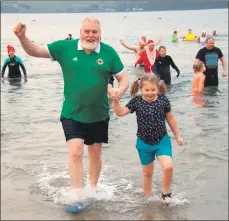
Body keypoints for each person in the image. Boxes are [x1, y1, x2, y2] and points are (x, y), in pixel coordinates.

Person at [13, 16, 129, 212]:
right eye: (87, 31)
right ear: (80, 32)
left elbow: (124, 77)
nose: (90, 35)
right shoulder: (65, 48)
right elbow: (36, 51)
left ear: (100, 33)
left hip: (99, 113)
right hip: (72, 113)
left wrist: (120, 90)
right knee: (75, 152)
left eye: (94, 32)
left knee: (95, 154)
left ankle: (92, 188)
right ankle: (77, 196)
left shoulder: (109, 52)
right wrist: (23, 38)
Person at [111, 73, 183, 205]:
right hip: (143, 143)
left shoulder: (163, 100)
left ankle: (165, 194)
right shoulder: (136, 101)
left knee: (168, 166)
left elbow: (171, 119)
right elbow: (120, 113)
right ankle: (148, 199)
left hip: (162, 140)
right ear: (141, 89)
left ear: (158, 88)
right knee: (147, 173)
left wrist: (177, 136)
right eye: (147, 90)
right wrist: (116, 101)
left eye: (153, 90)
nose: (150, 93)